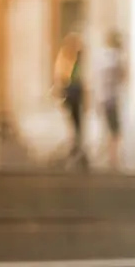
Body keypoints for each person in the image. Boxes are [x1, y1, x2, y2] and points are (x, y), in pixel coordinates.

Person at [53, 32, 87, 169]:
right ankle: (74, 144)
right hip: (71, 91)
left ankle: (75, 144)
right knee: (74, 120)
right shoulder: (67, 57)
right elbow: (62, 76)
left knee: (76, 120)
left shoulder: (75, 58)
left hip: (75, 91)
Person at [99, 30, 127, 170]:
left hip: (104, 98)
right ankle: (113, 159)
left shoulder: (103, 56)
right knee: (114, 131)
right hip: (111, 98)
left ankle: (111, 158)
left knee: (111, 130)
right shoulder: (115, 58)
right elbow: (122, 75)